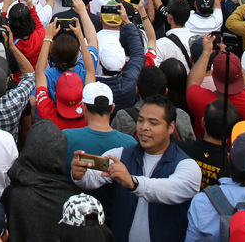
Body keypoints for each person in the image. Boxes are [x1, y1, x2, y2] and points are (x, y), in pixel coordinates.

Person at [70, 95, 201, 242]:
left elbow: (171, 189)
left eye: (153, 123)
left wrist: (133, 183)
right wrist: (80, 174)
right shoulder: (120, 155)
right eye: (140, 120)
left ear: (171, 127)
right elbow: (93, 177)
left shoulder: (187, 166)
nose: (144, 127)